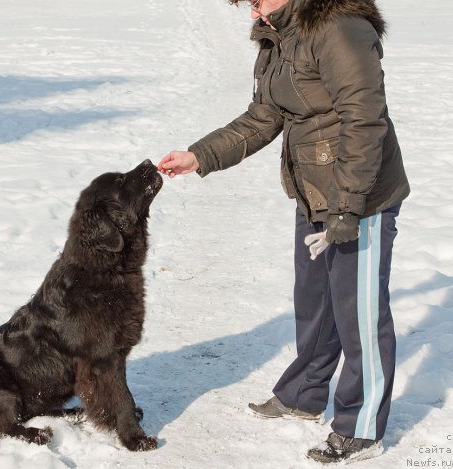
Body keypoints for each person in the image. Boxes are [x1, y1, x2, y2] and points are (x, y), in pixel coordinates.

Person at [157, 0, 409, 464]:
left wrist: (348, 207)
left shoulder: (339, 29)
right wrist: (199, 156)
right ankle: (303, 394)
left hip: (361, 198)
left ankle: (362, 428)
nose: (252, 13)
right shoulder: (281, 34)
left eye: (256, 1)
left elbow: (364, 120)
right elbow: (264, 116)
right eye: (246, 4)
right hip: (314, 192)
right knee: (316, 303)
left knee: (360, 316)